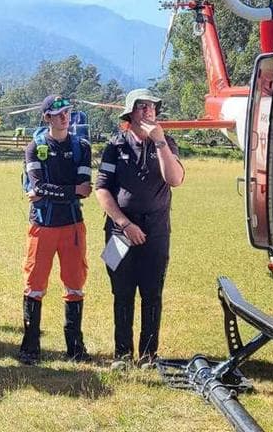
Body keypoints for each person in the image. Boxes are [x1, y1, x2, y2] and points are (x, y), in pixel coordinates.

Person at [94, 89, 185, 370]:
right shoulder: (115, 145)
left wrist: (159, 141)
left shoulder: (167, 142)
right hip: (118, 230)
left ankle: (148, 356)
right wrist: (125, 224)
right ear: (130, 113)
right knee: (120, 292)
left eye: (152, 106)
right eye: (142, 106)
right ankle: (122, 354)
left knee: (152, 293)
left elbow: (175, 179)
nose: (148, 111)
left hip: (156, 230)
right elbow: (101, 190)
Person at [18, 95, 92, 365]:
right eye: (58, 113)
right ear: (46, 117)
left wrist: (53, 191)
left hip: (72, 224)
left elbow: (85, 189)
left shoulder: (81, 146)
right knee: (34, 285)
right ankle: (30, 347)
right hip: (43, 225)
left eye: (68, 112)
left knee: (75, 285)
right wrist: (69, 190)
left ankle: (75, 347)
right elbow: (38, 187)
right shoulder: (34, 147)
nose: (65, 117)